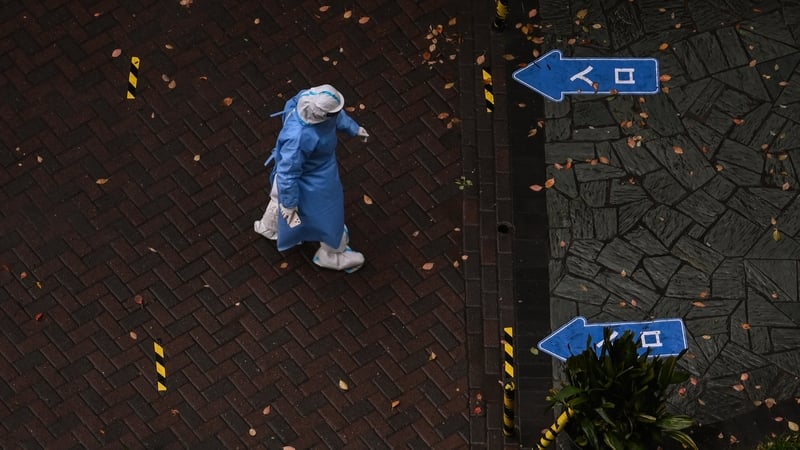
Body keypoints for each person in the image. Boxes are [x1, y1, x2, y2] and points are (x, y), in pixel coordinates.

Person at [254, 84, 369, 272]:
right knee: (329, 214)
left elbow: (336, 118)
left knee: (279, 200)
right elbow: (288, 175)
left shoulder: (307, 102)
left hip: (307, 175)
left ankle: (270, 228)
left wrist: (354, 129)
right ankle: (332, 254)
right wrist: (290, 204)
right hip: (314, 180)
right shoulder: (299, 138)